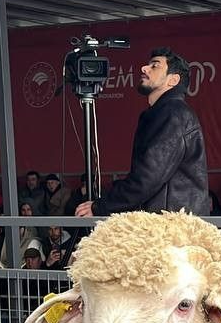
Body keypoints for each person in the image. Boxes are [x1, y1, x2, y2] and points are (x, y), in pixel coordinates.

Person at [76, 47, 210, 216]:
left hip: (169, 229)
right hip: (167, 224)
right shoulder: (166, 112)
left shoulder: (172, 113)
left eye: (155, 66)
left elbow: (147, 179)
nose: (144, 68)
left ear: (173, 80)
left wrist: (101, 206)